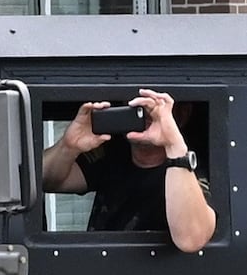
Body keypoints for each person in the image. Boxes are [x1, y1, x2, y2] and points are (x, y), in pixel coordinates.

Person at [40, 90, 216, 252]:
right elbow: (46, 180)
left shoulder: (189, 166)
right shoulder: (111, 152)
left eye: (154, 105)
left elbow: (191, 239)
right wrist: (68, 146)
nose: (143, 110)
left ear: (183, 114)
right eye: (134, 102)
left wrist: (173, 145)